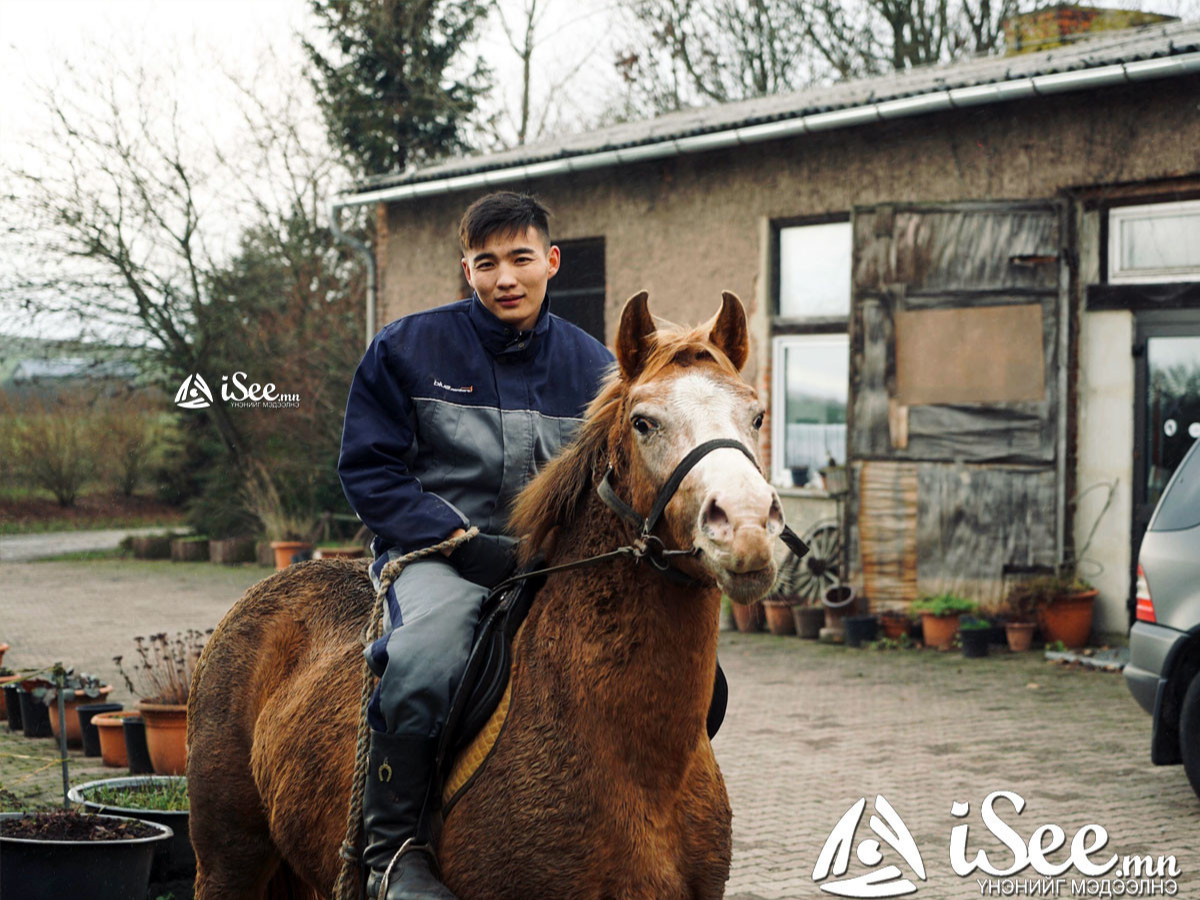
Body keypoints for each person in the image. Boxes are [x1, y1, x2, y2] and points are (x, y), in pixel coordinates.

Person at [338, 191, 614, 900]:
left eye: (521, 259)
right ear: (467, 270)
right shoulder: (405, 348)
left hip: (557, 568)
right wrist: (458, 540)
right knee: (427, 658)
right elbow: (370, 471)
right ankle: (393, 852)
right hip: (438, 562)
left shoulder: (597, 370)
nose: (505, 279)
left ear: (551, 261)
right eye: (486, 263)